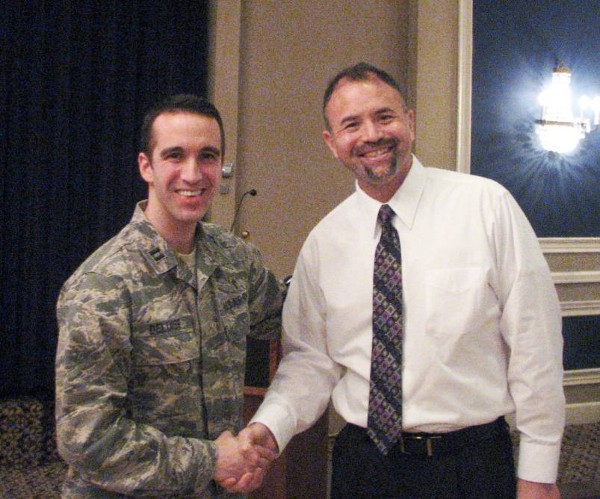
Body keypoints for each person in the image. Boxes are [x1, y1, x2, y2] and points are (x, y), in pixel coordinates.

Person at [242, 63, 565, 498]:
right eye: (351, 124)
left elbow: (535, 346)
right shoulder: (323, 243)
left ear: (410, 122)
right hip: (363, 467)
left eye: (385, 117)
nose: (371, 134)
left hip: (470, 466)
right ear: (332, 143)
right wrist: (270, 424)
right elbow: (311, 361)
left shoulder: (486, 207)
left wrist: (539, 474)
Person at [55, 94, 284, 498]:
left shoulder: (233, 259)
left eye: (208, 156)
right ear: (147, 165)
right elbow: (88, 440)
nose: (193, 174)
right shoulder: (102, 285)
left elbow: (287, 315)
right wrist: (211, 460)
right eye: (175, 155)